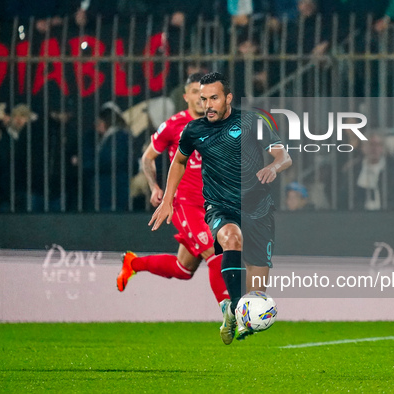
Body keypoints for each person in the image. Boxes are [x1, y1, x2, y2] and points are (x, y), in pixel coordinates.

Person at [149, 72, 292, 344]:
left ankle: (245, 314)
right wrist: (168, 200)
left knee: (258, 290)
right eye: (203, 99)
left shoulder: (251, 122)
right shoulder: (194, 130)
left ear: (228, 98)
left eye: (214, 98)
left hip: (257, 207)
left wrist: (273, 166)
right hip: (220, 206)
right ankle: (236, 311)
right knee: (229, 238)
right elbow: (178, 162)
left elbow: (283, 155)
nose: (208, 105)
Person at [116, 73, 228, 307]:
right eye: (196, 92)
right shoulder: (174, 125)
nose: (201, 98)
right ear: (186, 96)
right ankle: (232, 314)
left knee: (183, 269)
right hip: (185, 204)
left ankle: (133, 264)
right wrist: (154, 186)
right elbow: (147, 158)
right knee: (216, 253)